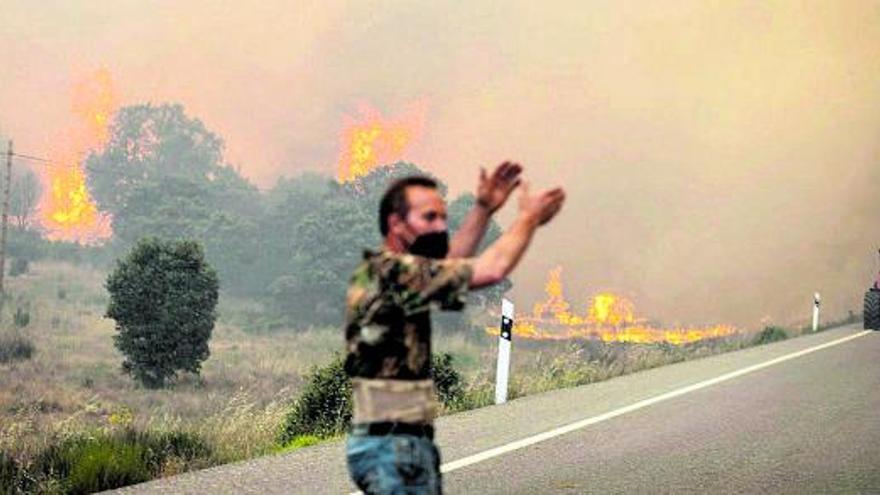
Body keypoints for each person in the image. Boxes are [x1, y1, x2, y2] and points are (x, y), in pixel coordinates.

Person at [344, 162, 565, 494]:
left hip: (389, 444)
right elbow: (491, 269)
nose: (440, 226)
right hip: (393, 447)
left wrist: (483, 208)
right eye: (428, 218)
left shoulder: (388, 271)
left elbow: (447, 264)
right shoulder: (397, 274)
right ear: (395, 223)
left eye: (443, 217)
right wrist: (529, 218)